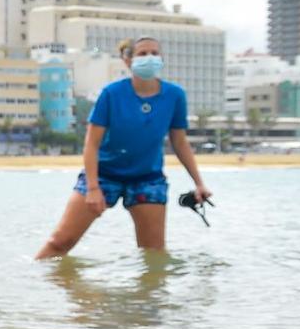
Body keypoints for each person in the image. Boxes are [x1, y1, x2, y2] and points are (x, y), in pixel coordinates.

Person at [37, 37, 211, 259]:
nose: (149, 58)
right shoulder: (111, 94)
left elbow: (179, 142)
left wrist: (198, 183)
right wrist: (92, 188)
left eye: (154, 53)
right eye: (142, 54)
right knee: (59, 242)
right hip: (103, 175)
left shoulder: (175, 95)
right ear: (127, 60)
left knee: (153, 255)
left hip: (147, 179)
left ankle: (148, 295)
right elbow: (92, 143)